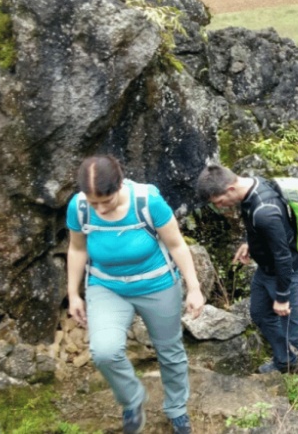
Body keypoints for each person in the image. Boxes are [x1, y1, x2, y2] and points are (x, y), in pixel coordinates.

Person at [66, 155, 204, 434]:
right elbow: (77, 249)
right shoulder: (79, 207)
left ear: (120, 185)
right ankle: (132, 399)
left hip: (157, 284)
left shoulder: (147, 201)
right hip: (107, 287)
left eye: (107, 200)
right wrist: (73, 294)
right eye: (95, 203)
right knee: (104, 351)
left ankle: (177, 409)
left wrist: (194, 288)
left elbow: (176, 245)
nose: (101, 209)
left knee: (169, 350)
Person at [195, 165, 298, 399]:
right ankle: (285, 361)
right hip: (267, 271)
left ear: (231, 187)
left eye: (218, 201)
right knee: (259, 312)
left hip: (285, 273)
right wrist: (250, 243)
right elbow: (262, 228)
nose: (218, 207)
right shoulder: (251, 186)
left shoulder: (265, 212)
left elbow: (283, 257)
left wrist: (283, 297)